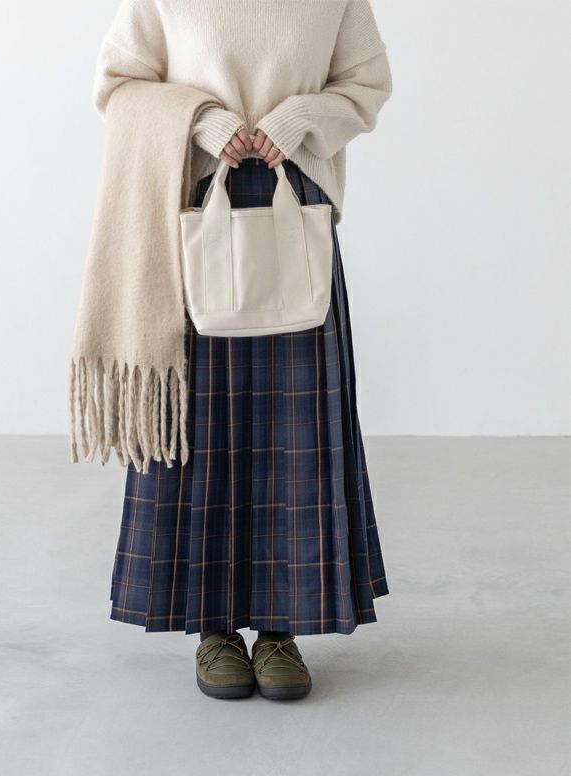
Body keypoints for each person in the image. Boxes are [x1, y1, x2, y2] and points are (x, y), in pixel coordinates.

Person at [94, 0, 393, 701]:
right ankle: (215, 629)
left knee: (297, 433)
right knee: (202, 428)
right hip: (193, 209)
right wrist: (198, 119)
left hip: (297, 205)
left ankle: (281, 628)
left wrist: (303, 118)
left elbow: (367, 83)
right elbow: (117, 84)